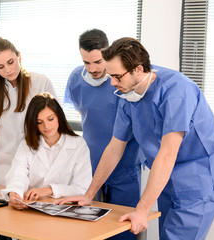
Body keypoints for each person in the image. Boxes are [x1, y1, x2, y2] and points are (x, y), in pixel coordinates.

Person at [58, 37, 214, 240]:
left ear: (138, 70)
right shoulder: (129, 94)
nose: (112, 83)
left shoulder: (177, 91)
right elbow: (115, 147)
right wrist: (90, 194)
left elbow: (168, 153)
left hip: (197, 184)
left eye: (117, 76)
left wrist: (142, 210)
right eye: (111, 76)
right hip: (167, 183)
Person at [64, 29, 143, 240]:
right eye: (86, 62)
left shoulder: (122, 79)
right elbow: (83, 112)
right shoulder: (76, 79)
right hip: (91, 167)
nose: (93, 69)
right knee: (90, 230)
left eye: (98, 62)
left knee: (122, 231)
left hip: (124, 168)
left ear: (107, 55)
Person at [0, 38, 57, 188]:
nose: (8, 70)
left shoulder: (41, 82)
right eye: (0, 67)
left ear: (19, 56)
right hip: (4, 168)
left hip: (38, 165)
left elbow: (54, 126)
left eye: (11, 62)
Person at [1, 92, 92, 210]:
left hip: (65, 208)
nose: (46, 126)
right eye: (39, 122)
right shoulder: (26, 145)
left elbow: (82, 187)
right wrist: (14, 193)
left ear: (59, 116)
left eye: (50, 119)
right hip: (32, 208)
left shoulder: (78, 145)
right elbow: (18, 175)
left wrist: (49, 190)